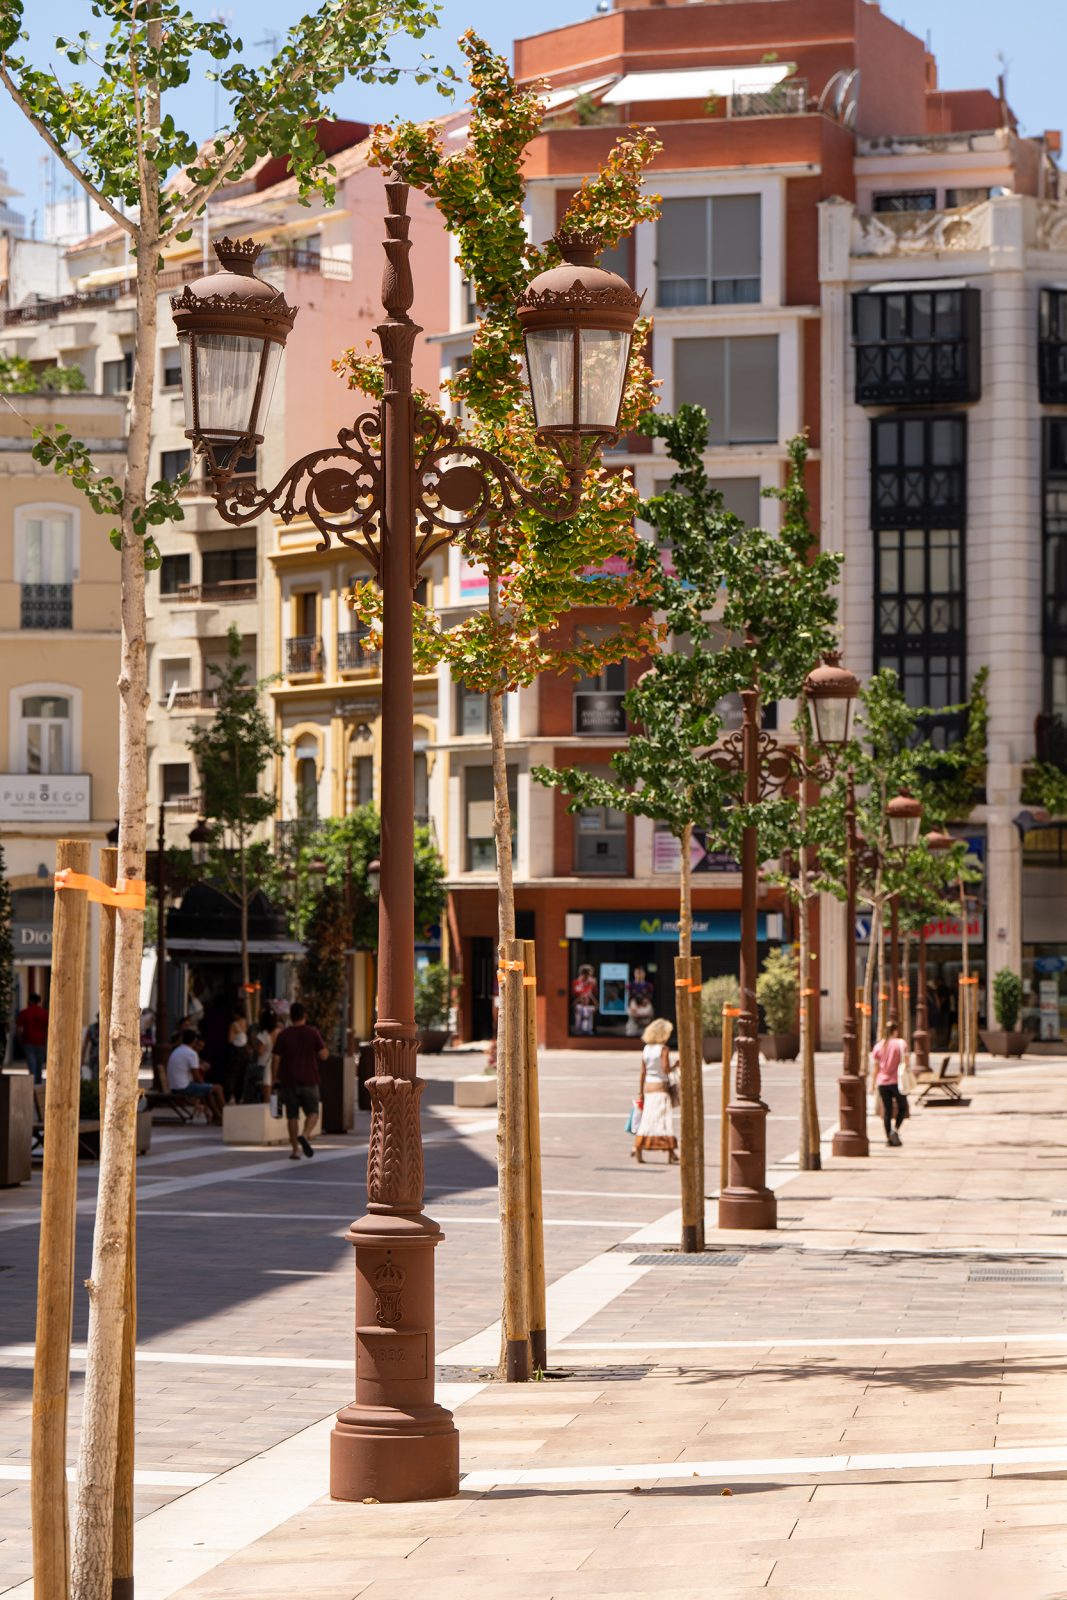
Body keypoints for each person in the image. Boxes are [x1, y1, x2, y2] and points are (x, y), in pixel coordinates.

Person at [271, 1000, 327, 1161]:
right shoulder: (312, 1032)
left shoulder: (283, 1035)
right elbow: (323, 1055)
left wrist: (275, 1079)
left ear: (291, 1016)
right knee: (313, 1113)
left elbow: (276, 1059)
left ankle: (295, 1150)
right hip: (309, 1079)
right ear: (305, 1016)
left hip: (289, 1081)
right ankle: (305, 1134)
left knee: (292, 1116)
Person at [632, 1016, 679, 1165]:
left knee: (647, 1118)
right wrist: (675, 1065)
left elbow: (643, 1072)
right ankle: (670, 1150)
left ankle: (638, 1146)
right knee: (663, 1120)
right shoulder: (663, 1049)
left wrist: (640, 1091)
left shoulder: (646, 1049)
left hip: (649, 1087)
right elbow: (665, 1069)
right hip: (661, 1087)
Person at [167, 1029, 224, 1124]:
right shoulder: (191, 1053)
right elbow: (197, 1077)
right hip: (183, 1087)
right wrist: (205, 1085)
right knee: (218, 1088)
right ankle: (226, 1115)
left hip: (174, 1086)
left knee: (208, 1090)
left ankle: (217, 1116)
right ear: (194, 1041)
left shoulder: (177, 1051)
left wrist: (206, 1087)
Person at [872, 1019, 907, 1147]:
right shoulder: (901, 1043)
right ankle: (895, 1131)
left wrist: (873, 1083)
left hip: (882, 1082)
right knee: (903, 1107)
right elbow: (906, 1062)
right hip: (897, 1082)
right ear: (895, 1031)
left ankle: (889, 1138)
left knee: (887, 1111)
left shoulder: (878, 1046)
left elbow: (876, 1068)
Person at [244, 1007, 281, 1103]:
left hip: (263, 1066)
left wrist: (255, 1044)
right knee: (273, 1089)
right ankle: (274, 1107)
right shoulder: (278, 1032)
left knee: (249, 1071)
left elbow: (260, 1051)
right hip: (276, 1066)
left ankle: (247, 1099)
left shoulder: (263, 1035)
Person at [16, 992, 48, 1083]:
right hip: (41, 1042)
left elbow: (19, 1029)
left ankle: (33, 1084)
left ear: (30, 1001)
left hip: (28, 1041)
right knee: (39, 1065)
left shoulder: (24, 1013)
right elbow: (47, 1029)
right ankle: (38, 1083)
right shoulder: (44, 1013)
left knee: (32, 1064)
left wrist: (20, 1040)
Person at [227, 1002, 251, 1102]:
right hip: (246, 1051)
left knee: (233, 1074)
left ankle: (231, 1095)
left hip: (237, 1051)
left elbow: (230, 1039)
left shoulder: (234, 1025)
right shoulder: (246, 1022)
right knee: (243, 1074)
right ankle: (241, 1095)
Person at [625, 966, 655, 1036]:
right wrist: (633, 1004)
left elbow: (650, 997)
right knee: (631, 1032)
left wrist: (646, 1001)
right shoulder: (630, 985)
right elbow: (629, 998)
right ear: (634, 974)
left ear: (644, 974)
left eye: (641, 973)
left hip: (645, 1012)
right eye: (637, 973)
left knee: (647, 1034)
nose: (639, 975)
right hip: (634, 1012)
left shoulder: (649, 985)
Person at [571, 964, 596, 1036]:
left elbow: (595, 996)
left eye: (588, 974)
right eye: (584, 973)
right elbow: (573, 994)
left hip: (589, 1007)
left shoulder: (592, 983)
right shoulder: (576, 983)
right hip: (578, 1006)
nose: (586, 975)